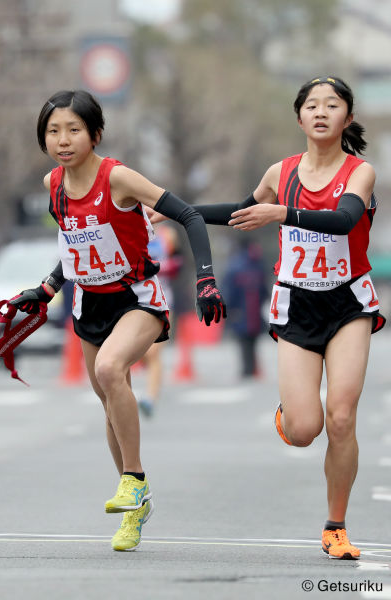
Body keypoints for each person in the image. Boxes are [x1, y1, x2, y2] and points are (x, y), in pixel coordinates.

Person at [152, 76, 386, 559]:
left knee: (341, 417)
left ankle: (335, 526)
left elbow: (343, 220)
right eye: (312, 106)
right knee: (305, 430)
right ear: (299, 117)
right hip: (297, 305)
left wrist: (281, 214)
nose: (321, 112)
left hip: (348, 304)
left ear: (347, 118)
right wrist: (178, 211)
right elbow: (242, 213)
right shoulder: (280, 172)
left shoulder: (360, 173)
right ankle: (291, 414)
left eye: (332, 105)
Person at [9, 90, 226, 552]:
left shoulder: (119, 179)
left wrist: (205, 279)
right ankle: (135, 507)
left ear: (95, 134)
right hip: (90, 304)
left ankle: (134, 479)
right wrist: (46, 288)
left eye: (73, 130)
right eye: (53, 131)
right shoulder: (53, 184)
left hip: (137, 299)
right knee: (110, 398)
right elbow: (75, 246)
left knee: (111, 371)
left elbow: (187, 215)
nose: (63, 140)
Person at [137, 224, 183, 417]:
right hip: (133, 299)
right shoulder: (128, 225)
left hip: (162, 299)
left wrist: (167, 267)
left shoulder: (168, 234)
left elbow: (179, 261)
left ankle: (150, 398)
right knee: (140, 352)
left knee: (154, 352)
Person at [222, 240, 267, 378]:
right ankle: (249, 368)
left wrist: (229, 308)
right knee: (247, 340)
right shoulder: (253, 266)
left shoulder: (236, 266)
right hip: (248, 310)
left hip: (245, 310)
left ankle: (249, 369)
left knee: (246, 340)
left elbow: (228, 290)